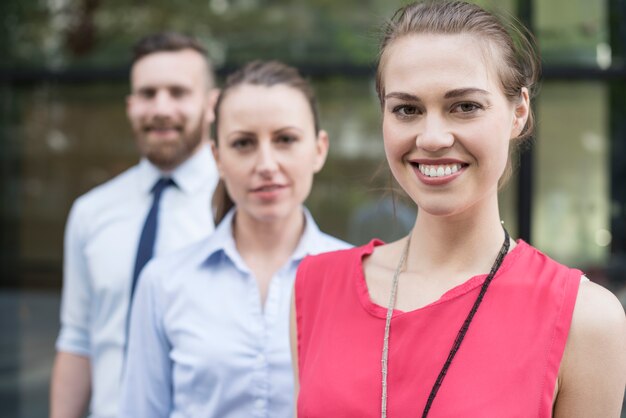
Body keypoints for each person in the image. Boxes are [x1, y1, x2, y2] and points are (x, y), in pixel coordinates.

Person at [291, 1, 626, 417]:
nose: (431, 137)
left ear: (518, 112)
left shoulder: (584, 319)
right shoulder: (315, 288)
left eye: (465, 106)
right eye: (407, 109)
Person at [118, 60, 350, 417]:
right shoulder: (164, 282)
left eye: (285, 139)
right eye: (243, 143)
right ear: (218, 158)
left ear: (319, 149)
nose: (266, 164)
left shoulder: (362, 280)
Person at [50, 32, 220, 418]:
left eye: (178, 92)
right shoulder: (91, 212)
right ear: (130, 105)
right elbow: (77, 340)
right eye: (147, 94)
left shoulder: (241, 211)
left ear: (212, 104)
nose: (160, 108)